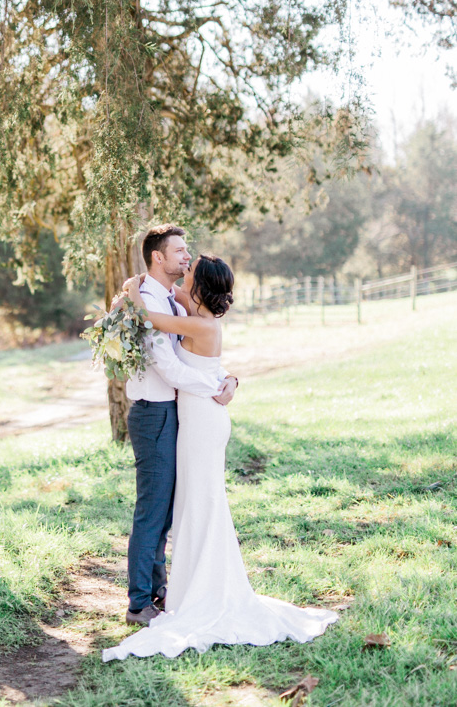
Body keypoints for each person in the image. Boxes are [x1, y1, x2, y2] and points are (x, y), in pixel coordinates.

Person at [103, 253, 338, 661]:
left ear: (198, 285)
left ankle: (205, 590)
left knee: (203, 503)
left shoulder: (199, 323)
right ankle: (189, 585)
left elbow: (151, 320)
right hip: (196, 417)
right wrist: (131, 286)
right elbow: (154, 290)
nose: (184, 269)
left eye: (189, 271)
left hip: (204, 422)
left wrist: (131, 296)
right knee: (194, 503)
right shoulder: (192, 309)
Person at [117, 224, 238, 628]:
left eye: (189, 255)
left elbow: (201, 349)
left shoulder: (174, 299)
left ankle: (165, 586)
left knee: (174, 507)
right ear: (158, 257)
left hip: (185, 412)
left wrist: (229, 379)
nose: (187, 257)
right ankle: (139, 602)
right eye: (181, 251)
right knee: (154, 509)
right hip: (155, 409)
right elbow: (167, 366)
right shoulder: (151, 297)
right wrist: (216, 385)